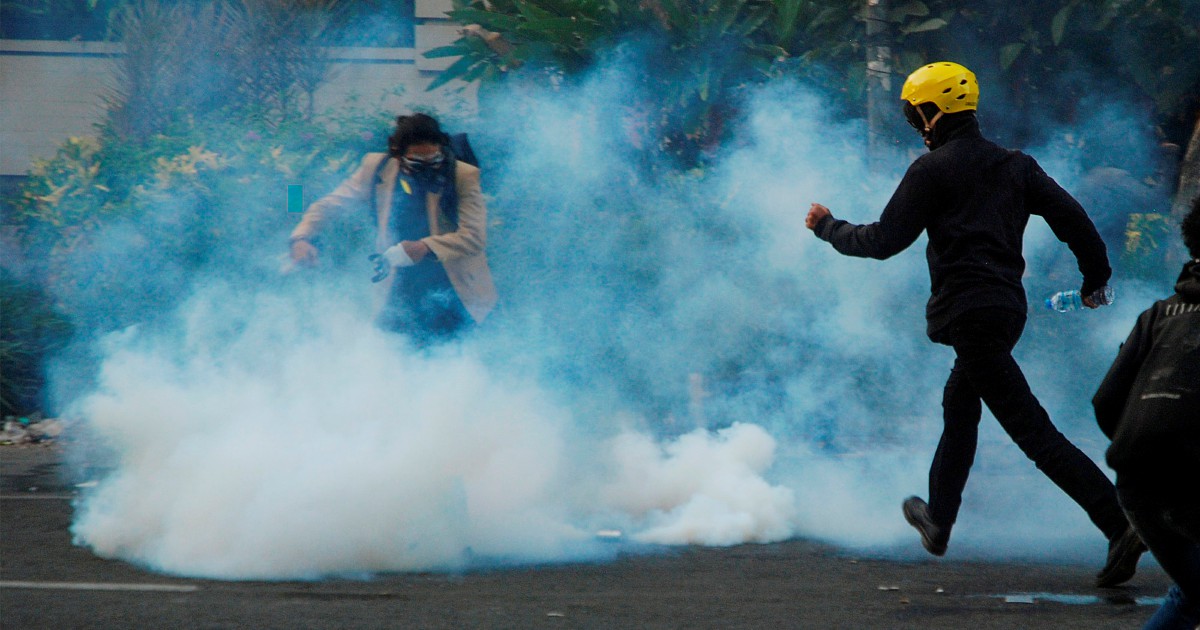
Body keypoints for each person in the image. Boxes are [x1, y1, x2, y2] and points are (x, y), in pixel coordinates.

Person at [803, 62, 1145, 587]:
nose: (916, 124)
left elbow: (883, 241)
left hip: (969, 312)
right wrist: (1093, 278)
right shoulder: (1015, 165)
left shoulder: (932, 170)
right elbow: (1073, 218)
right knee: (960, 406)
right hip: (1005, 311)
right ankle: (938, 519)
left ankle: (1117, 521)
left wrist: (828, 227)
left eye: (916, 113)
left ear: (933, 111)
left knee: (1032, 432)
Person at [289, 113, 497, 343]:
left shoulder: (462, 175)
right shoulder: (377, 167)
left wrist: (425, 246)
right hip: (398, 282)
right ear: (397, 153)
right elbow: (331, 204)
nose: (426, 169)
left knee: (454, 358)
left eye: (434, 161)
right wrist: (301, 238)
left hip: (451, 285)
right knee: (393, 353)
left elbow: (474, 236)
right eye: (417, 163)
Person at [1093, 196, 1200, 628]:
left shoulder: (1157, 314)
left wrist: (1144, 444)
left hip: (1135, 481)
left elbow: (1105, 402)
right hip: (1190, 475)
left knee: (1193, 593)